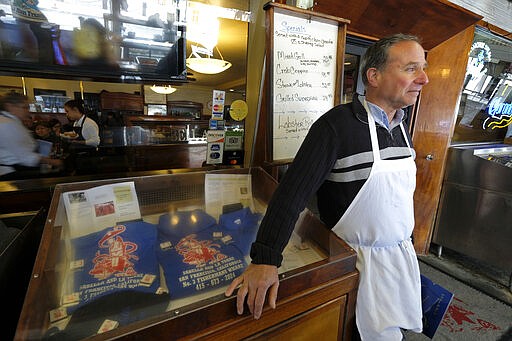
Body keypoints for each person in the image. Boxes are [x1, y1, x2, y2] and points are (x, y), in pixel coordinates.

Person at [225, 33, 429, 340]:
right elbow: (291, 195)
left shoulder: (401, 127)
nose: (424, 78)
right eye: (411, 68)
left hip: (396, 257)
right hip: (352, 262)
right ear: (374, 76)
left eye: (423, 68)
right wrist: (265, 259)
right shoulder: (335, 126)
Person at [0, 93, 62, 179]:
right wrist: (52, 161)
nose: (27, 111)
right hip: (12, 173)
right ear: (10, 106)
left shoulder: (10, 121)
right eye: (24, 107)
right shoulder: (7, 124)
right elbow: (25, 157)